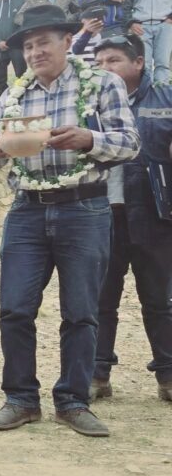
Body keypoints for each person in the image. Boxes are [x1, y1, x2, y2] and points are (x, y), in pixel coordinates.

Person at [0, 5, 140, 437]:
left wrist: (90, 138)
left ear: (67, 42)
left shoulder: (103, 83)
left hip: (84, 208)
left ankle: (72, 400)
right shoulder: (14, 94)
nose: (34, 53)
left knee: (82, 312)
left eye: (42, 43)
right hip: (26, 209)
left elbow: (129, 144)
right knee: (14, 308)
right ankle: (20, 398)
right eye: (28, 46)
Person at [91, 34, 172, 403]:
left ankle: (168, 377)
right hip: (101, 214)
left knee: (159, 299)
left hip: (154, 216)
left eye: (114, 61)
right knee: (99, 301)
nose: (105, 69)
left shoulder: (165, 100)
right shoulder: (87, 104)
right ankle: (97, 375)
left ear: (138, 63)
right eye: (100, 62)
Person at [126, 0, 172, 84]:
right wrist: (131, 23)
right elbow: (126, 8)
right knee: (144, 62)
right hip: (142, 27)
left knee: (162, 62)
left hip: (165, 25)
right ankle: (145, 94)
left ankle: (161, 92)